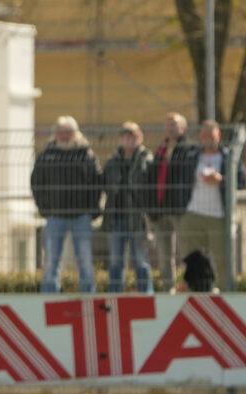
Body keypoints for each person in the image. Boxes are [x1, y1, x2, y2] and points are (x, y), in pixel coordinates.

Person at [31, 115, 103, 293]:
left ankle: (87, 295)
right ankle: (49, 294)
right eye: (61, 132)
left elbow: (97, 183)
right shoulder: (46, 156)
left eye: (68, 132)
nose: (65, 136)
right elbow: (36, 183)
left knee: (85, 261)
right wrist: (44, 208)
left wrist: (91, 210)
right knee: (51, 262)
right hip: (55, 216)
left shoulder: (86, 155)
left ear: (76, 134)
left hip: (81, 217)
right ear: (55, 134)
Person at [179, 120, 246, 287]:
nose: (207, 138)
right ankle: (198, 293)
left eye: (211, 135)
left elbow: (241, 180)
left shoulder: (228, 157)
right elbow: (180, 182)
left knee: (222, 259)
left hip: (218, 216)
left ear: (219, 136)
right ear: (200, 137)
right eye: (204, 135)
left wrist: (222, 180)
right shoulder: (191, 157)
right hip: (193, 213)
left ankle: (226, 293)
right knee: (193, 259)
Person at [102, 122, 154, 293]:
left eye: (133, 136)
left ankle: (145, 295)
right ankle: (115, 296)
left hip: (138, 220)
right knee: (116, 262)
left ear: (140, 138)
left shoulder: (147, 160)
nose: (129, 140)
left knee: (141, 261)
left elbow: (149, 185)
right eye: (125, 136)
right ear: (121, 139)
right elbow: (105, 184)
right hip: (115, 218)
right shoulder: (112, 161)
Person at [148, 112, 197, 293]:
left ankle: (191, 284)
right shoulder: (161, 149)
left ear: (182, 128)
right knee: (164, 253)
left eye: (174, 125)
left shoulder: (189, 149)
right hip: (161, 209)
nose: (170, 129)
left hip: (180, 209)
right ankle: (169, 286)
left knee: (185, 251)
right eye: (168, 125)